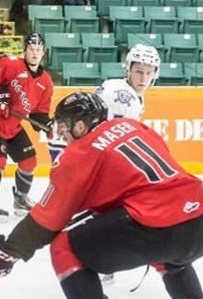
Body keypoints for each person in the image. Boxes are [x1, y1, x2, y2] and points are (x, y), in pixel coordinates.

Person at [0, 92, 203, 299]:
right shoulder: (133, 126)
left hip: (156, 228)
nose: (63, 134)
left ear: (80, 125)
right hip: (202, 220)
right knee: (168, 253)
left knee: (65, 245)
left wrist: (8, 251)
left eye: (66, 126)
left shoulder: (78, 153)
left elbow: (48, 218)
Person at [49, 43, 161, 284]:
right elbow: (114, 135)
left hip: (89, 157)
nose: (143, 77)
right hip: (92, 160)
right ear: (128, 69)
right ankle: (87, 265)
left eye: (148, 72)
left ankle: (91, 262)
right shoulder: (124, 96)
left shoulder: (121, 89)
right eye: (139, 71)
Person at [0, 32, 53, 221]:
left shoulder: (46, 82)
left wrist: (47, 125)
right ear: (24, 50)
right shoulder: (9, 63)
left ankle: (20, 200)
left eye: (38, 49)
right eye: (31, 48)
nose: (34, 52)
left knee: (29, 161)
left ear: (44, 53)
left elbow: (38, 114)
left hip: (14, 126)